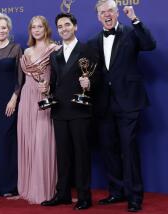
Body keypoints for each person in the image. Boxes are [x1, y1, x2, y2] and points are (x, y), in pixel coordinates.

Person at [88, 0, 156, 212]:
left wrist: (134, 19)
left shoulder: (131, 32)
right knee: (109, 150)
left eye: (110, 10)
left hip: (128, 102)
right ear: (98, 16)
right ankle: (117, 192)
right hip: (104, 104)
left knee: (129, 149)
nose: (106, 14)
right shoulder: (93, 42)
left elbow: (149, 44)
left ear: (117, 13)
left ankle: (134, 196)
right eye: (102, 12)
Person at [40, 13, 99, 210]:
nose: (63, 29)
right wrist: (47, 90)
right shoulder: (54, 55)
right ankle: (63, 194)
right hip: (59, 110)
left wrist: (90, 83)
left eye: (67, 25)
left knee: (81, 155)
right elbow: (56, 82)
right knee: (62, 156)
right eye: (60, 26)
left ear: (75, 27)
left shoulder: (87, 49)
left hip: (80, 109)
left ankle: (84, 197)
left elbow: (98, 76)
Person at [17, 15, 58, 204]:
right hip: (27, 98)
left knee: (43, 142)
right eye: (33, 27)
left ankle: (46, 190)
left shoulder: (55, 49)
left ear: (46, 28)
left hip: (44, 97)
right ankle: (27, 188)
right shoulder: (26, 50)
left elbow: (61, 76)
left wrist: (49, 87)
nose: (36, 30)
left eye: (40, 26)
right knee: (28, 142)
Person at [0, 13, 23, 197]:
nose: (1, 30)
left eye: (4, 27)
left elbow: (20, 76)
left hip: (9, 102)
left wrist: (14, 98)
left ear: (9, 29)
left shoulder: (16, 48)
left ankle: (9, 185)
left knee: (8, 142)